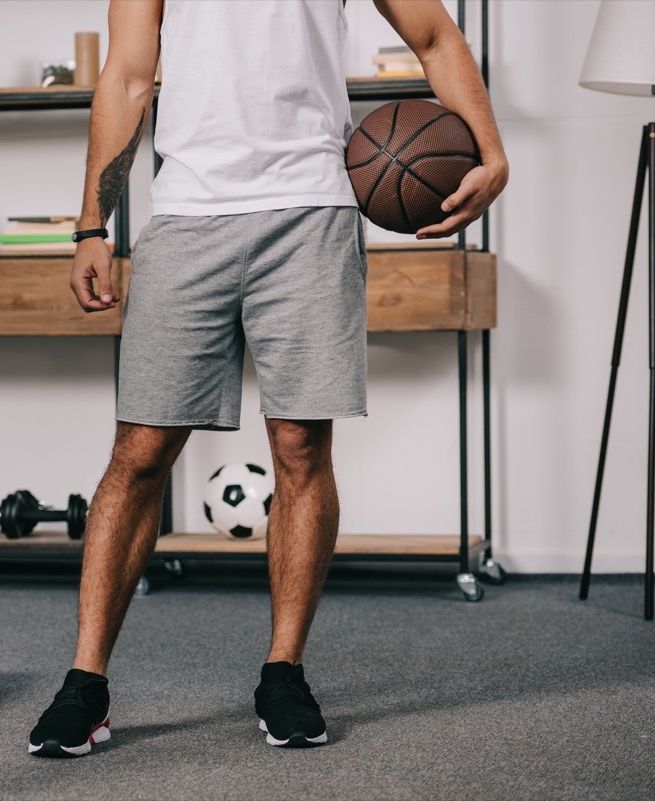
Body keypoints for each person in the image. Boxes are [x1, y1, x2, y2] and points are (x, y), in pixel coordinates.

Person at [28, 0, 508, 757]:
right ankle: (84, 683)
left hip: (312, 210)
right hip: (188, 215)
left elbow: (434, 36)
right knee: (140, 452)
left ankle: (284, 673)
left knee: (300, 447)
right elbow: (125, 77)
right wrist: (92, 224)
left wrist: (491, 151)